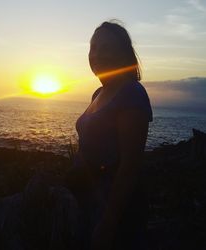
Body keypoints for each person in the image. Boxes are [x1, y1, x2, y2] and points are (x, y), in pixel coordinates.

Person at [71, 21, 153, 250]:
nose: (96, 54)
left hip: (113, 209)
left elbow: (130, 166)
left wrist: (108, 223)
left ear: (123, 54)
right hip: (87, 200)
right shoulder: (98, 93)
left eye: (106, 48)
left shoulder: (131, 92)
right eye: (93, 47)